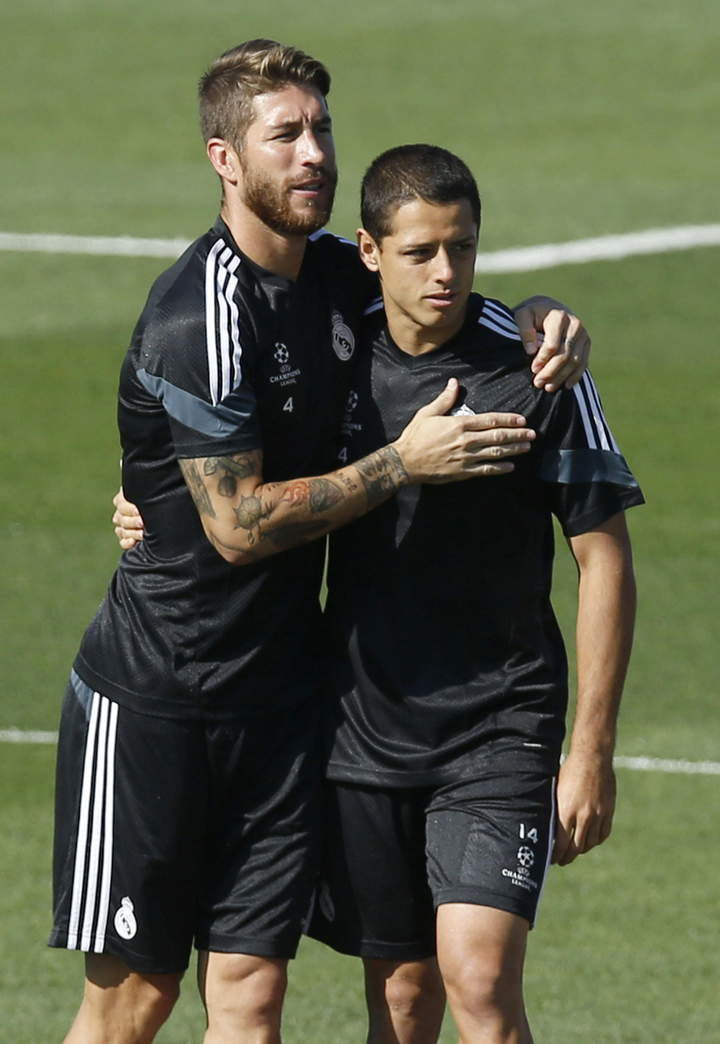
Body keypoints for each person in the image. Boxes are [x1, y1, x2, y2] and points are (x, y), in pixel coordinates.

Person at [76, 40, 590, 1044]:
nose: (314, 152)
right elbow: (234, 526)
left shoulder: (331, 277)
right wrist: (402, 462)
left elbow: (436, 290)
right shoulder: (199, 310)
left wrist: (538, 319)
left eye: (321, 128)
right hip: (161, 699)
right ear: (225, 158)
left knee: (252, 996)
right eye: (285, 135)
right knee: (135, 1002)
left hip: (283, 702)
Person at [305, 144, 644, 1044]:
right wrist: (142, 497)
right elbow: (232, 457)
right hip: (363, 727)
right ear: (370, 252)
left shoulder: (539, 368)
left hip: (501, 725)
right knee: (403, 1004)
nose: (445, 273)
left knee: (482, 985)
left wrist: (591, 750)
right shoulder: (332, 355)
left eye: (462, 247)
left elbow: (604, 558)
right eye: (420, 252)